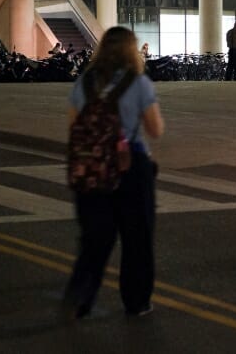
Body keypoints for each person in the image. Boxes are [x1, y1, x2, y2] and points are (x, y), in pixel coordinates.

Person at [63, 26, 165, 319]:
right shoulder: (140, 83)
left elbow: (73, 127)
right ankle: (136, 301)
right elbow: (155, 130)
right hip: (131, 164)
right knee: (137, 238)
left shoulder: (83, 83)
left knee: (95, 237)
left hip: (92, 165)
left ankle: (81, 297)